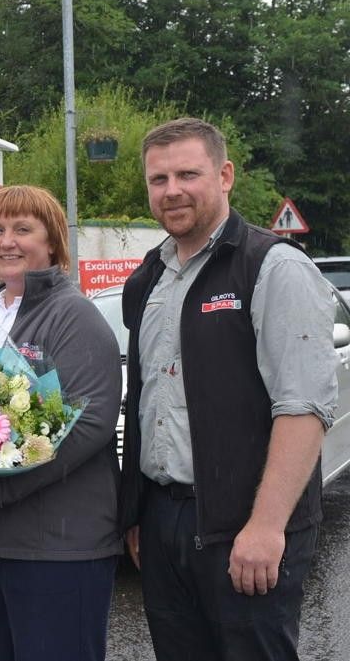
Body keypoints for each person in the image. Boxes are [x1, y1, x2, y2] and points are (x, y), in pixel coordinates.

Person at [119, 118, 338, 661]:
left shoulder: (272, 266)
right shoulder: (148, 279)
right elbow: (143, 399)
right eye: (158, 179)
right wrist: (138, 515)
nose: (171, 191)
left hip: (247, 522)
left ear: (225, 175)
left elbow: (303, 409)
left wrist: (266, 528)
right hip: (164, 519)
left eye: (188, 174)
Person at [0, 184, 123, 661]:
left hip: (55, 542)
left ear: (52, 241)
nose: (6, 241)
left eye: (22, 229)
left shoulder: (74, 314)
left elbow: (90, 422)